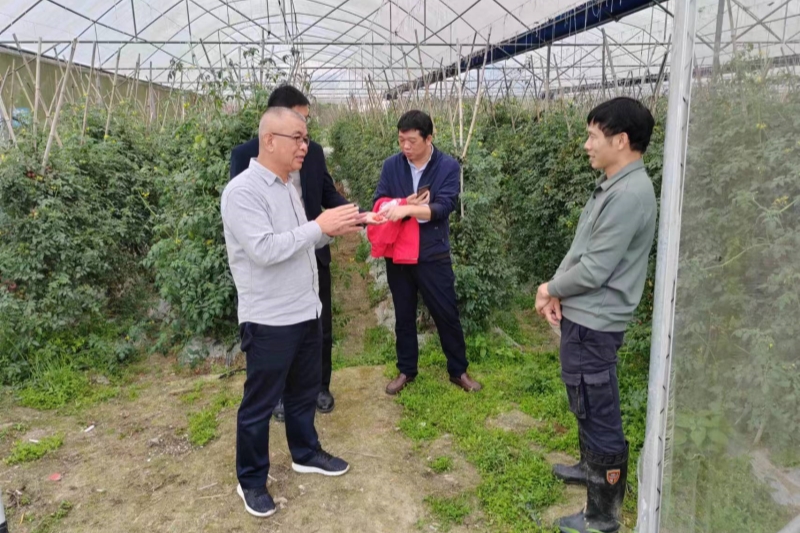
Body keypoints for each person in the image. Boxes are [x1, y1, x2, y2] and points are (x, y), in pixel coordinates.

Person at [221, 107, 363, 518]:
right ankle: (251, 480)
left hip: (305, 309)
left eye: (306, 138)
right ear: (269, 140)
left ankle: (305, 452)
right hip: (270, 318)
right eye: (297, 138)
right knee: (260, 403)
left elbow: (301, 240)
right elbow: (264, 249)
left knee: (303, 392)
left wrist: (337, 227)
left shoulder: (288, 186)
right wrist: (320, 226)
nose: (305, 147)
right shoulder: (243, 191)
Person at [535, 97, 656, 533]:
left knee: (598, 409)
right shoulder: (612, 186)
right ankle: (591, 466)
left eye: (592, 136)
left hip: (595, 323)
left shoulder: (628, 195)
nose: (586, 144)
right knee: (585, 401)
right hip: (584, 315)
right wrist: (556, 289)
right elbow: (580, 251)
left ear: (620, 140)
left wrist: (549, 289)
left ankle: (602, 514)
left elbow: (595, 270)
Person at [230, 85, 380, 420]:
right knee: (277, 333)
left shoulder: (313, 154)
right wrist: (319, 227)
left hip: (313, 252)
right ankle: (279, 395)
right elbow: (250, 225)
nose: (304, 139)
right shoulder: (245, 159)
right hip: (273, 265)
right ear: (275, 125)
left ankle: (318, 387)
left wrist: (359, 215)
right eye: (298, 126)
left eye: (306, 129)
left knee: (318, 325)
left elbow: (328, 192)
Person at [372, 110, 482, 395]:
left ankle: (458, 370)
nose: (405, 147)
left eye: (411, 141)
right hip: (399, 254)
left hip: (432, 252)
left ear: (429, 138)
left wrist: (409, 210)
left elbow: (444, 206)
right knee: (403, 313)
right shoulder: (392, 166)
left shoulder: (446, 166)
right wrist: (401, 203)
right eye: (401, 140)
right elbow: (379, 200)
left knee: (446, 312)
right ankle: (406, 369)